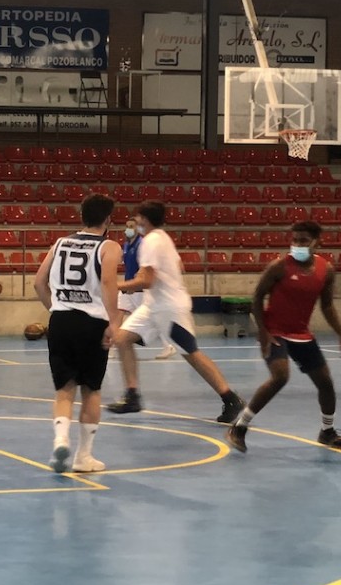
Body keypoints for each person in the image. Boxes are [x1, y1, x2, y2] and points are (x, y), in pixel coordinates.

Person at [106, 201, 245, 421]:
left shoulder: (151, 241)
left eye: (138, 218)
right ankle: (132, 396)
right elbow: (179, 266)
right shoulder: (162, 238)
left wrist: (113, 285)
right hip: (153, 306)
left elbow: (146, 280)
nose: (136, 222)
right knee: (122, 339)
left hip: (169, 309)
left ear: (144, 219)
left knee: (192, 354)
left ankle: (231, 399)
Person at [227, 221, 341, 452]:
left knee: (325, 382)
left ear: (317, 242)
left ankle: (327, 431)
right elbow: (256, 298)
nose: (297, 244)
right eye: (294, 240)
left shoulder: (327, 271)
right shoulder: (279, 266)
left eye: (303, 240)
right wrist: (263, 333)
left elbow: (327, 306)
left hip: (301, 334)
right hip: (275, 332)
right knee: (280, 376)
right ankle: (239, 426)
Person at [33, 194, 123, 473]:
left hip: (60, 321)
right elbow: (108, 282)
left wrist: (56, 309)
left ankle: (60, 440)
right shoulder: (109, 247)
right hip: (92, 323)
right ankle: (84, 456)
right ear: (108, 219)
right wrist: (114, 321)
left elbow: (38, 282)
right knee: (91, 390)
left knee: (63, 391)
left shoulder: (59, 243)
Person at [114, 218, 176, 360]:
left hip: (138, 290)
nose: (127, 229)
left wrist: (135, 282)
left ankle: (168, 346)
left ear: (136, 228)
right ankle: (113, 346)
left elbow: (145, 267)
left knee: (154, 319)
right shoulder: (126, 245)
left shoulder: (142, 244)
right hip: (127, 286)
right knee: (118, 313)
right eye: (126, 226)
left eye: (131, 226)